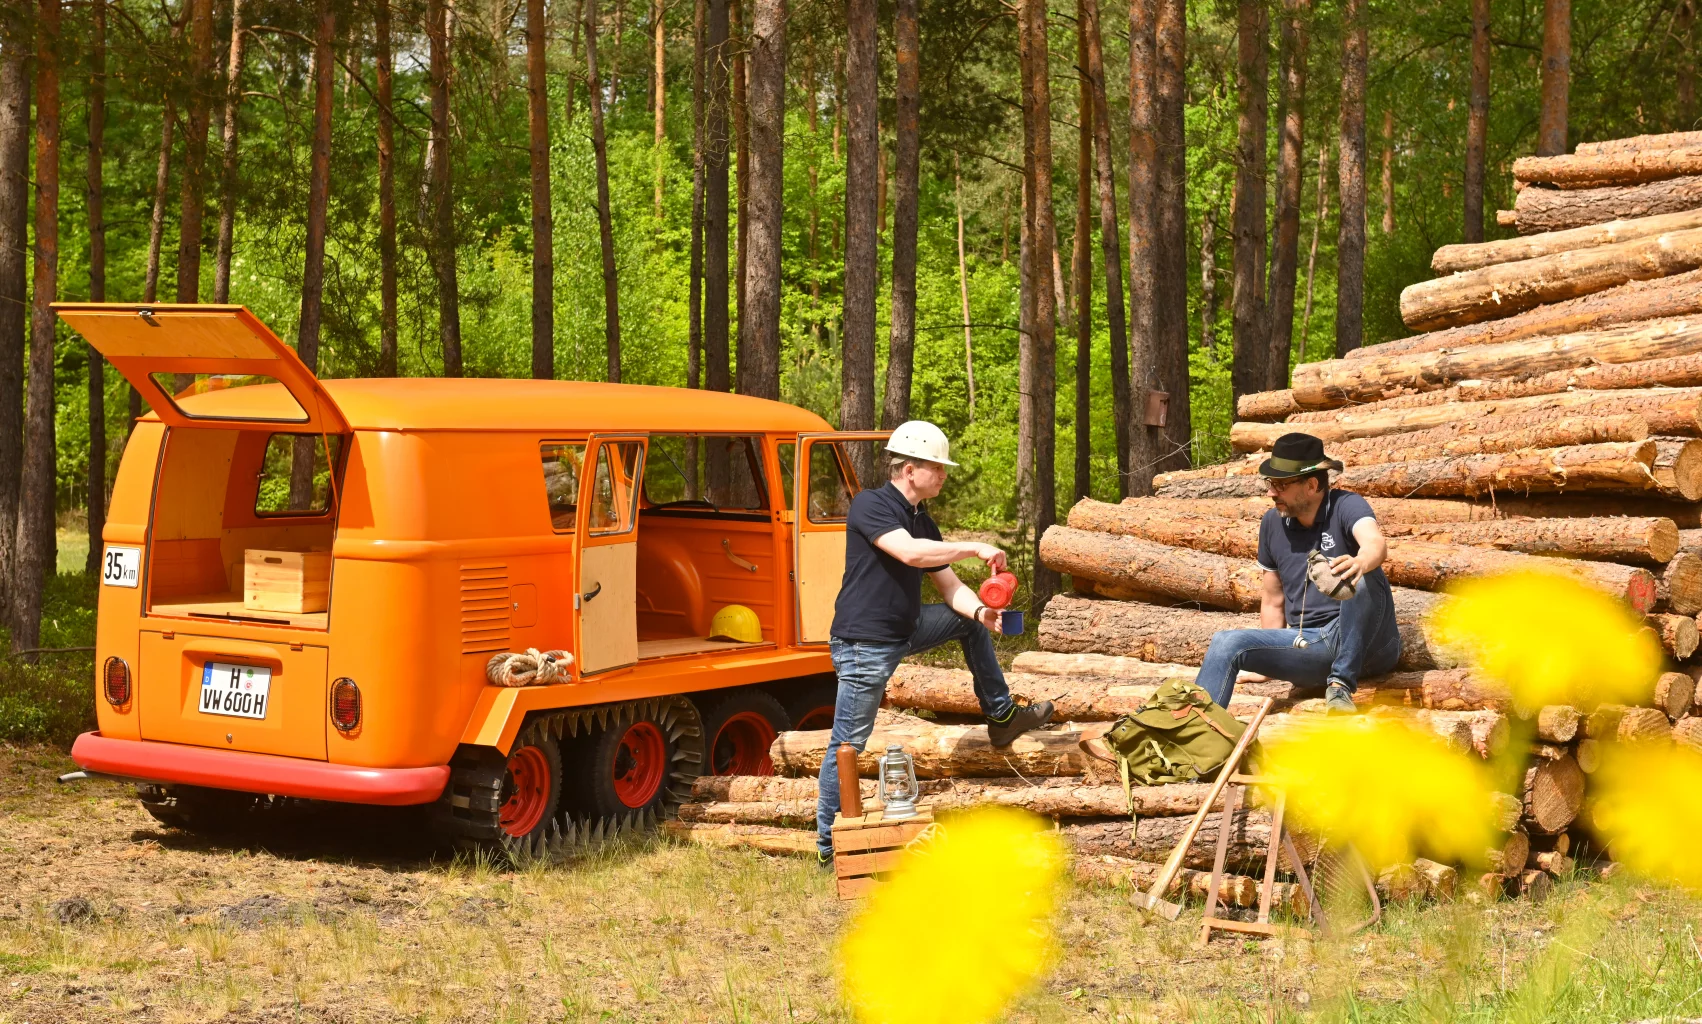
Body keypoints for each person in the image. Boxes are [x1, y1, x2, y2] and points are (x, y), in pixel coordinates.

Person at [814, 421, 1054, 863]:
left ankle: (1001, 715)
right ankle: (830, 849)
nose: (944, 475)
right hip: (864, 644)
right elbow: (910, 554)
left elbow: (949, 587)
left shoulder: (922, 518)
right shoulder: (872, 505)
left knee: (968, 622)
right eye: (936, 468)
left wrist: (982, 612)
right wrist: (974, 546)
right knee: (848, 745)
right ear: (909, 469)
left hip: (903, 629)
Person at [1192, 432, 1402, 715]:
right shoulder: (1271, 523)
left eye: (1280, 484)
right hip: (1311, 646)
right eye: (1270, 483)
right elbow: (1272, 600)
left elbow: (1375, 543)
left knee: (1363, 575)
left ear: (1312, 484)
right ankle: (1194, 732)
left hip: (1371, 645)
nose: (1270, 492)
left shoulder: (1346, 505)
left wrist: (1361, 561)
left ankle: (1340, 684)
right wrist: (1267, 663)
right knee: (1225, 642)